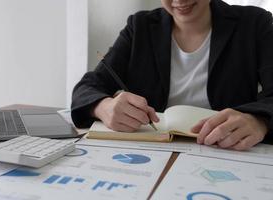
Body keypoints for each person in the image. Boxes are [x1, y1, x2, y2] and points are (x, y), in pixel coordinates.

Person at [71, 0, 273, 150]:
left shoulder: (254, 23)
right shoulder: (139, 27)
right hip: (153, 151)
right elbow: (87, 87)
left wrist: (260, 120)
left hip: (229, 150)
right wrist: (103, 106)